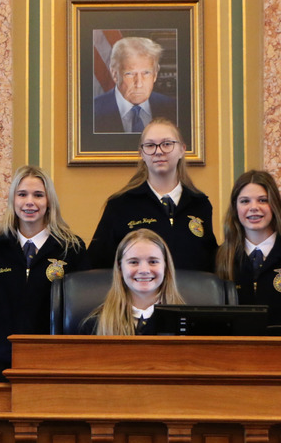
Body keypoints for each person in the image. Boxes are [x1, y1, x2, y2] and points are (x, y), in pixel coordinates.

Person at [0, 165, 88, 380]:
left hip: (54, 361)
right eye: (22, 194)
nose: (29, 202)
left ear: (49, 201)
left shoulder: (72, 248)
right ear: (12, 200)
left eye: (38, 195)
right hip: (1, 361)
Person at [88, 118, 217, 271]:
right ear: (141, 153)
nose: (158, 151)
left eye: (167, 144)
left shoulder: (200, 204)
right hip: (137, 294)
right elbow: (97, 266)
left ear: (182, 149)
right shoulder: (120, 205)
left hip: (190, 294)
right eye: (150, 145)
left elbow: (210, 264)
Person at [215, 170, 281, 337]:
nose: (253, 208)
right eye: (245, 201)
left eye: (262, 200)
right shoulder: (220, 257)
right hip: (235, 357)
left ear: (275, 205)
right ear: (235, 207)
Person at [82, 228, 184, 335]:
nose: (144, 270)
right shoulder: (94, 325)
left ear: (166, 266)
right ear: (120, 268)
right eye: (134, 262)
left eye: (153, 262)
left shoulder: (187, 322)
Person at [93, 36, 176, 133]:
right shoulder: (92, 112)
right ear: (115, 74)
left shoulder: (173, 108)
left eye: (146, 73)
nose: (139, 84)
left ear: (155, 75)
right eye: (130, 74)